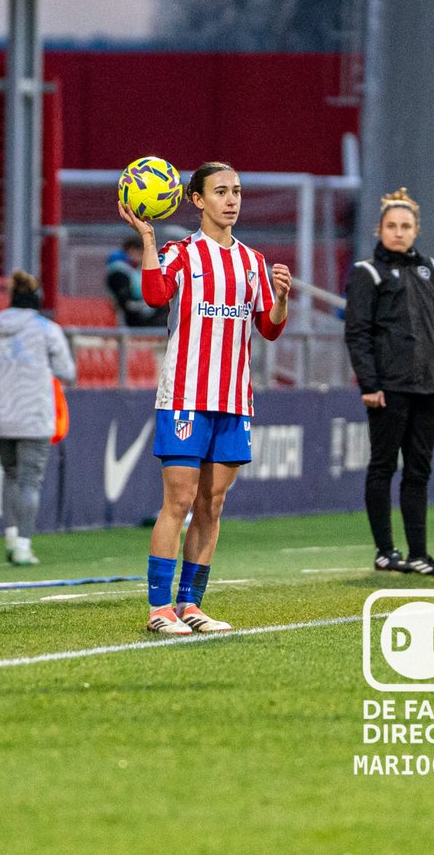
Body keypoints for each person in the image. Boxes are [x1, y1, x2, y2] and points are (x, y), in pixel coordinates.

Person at [118, 161, 291, 634]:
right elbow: (155, 297)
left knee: (212, 505)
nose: (231, 199)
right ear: (196, 200)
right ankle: (159, 610)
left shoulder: (253, 262)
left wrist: (280, 298)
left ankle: (190, 605)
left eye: (236, 191)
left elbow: (270, 329)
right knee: (178, 499)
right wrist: (149, 241)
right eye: (220, 191)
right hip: (186, 395)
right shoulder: (181, 253)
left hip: (234, 399)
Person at [344, 188, 434, 579]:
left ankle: (420, 554)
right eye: (391, 226)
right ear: (379, 229)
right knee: (383, 467)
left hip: (426, 386)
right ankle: (385, 551)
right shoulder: (368, 272)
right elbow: (357, 333)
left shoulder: (428, 267)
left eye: (406, 226)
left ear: (417, 230)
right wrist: (369, 383)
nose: (398, 232)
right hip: (388, 387)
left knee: (419, 471)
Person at [0, 270, 77, 566]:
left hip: (0, 415)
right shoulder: (47, 329)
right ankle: (23, 545)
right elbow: (68, 372)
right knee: (30, 480)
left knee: (9, 474)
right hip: (34, 415)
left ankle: (10, 537)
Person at [106, 234, 167, 327]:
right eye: (142, 253)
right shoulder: (119, 273)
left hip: (147, 315)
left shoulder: (139, 270)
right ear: (132, 250)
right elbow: (127, 304)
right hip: (131, 321)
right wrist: (152, 306)